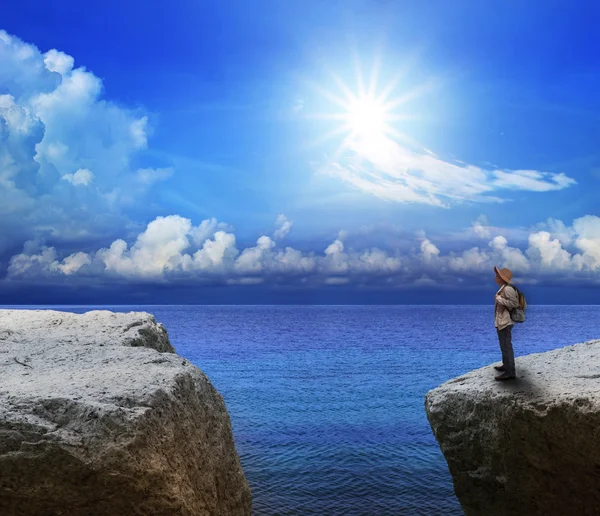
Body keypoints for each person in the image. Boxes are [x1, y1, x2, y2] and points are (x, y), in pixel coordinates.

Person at [493, 266, 520, 381]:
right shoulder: (503, 288)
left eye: (498, 275)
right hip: (501, 321)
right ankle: (506, 365)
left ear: (501, 278)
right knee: (504, 345)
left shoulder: (507, 289)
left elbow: (514, 303)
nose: (496, 277)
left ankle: (510, 372)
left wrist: (499, 299)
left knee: (506, 346)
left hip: (505, 321)